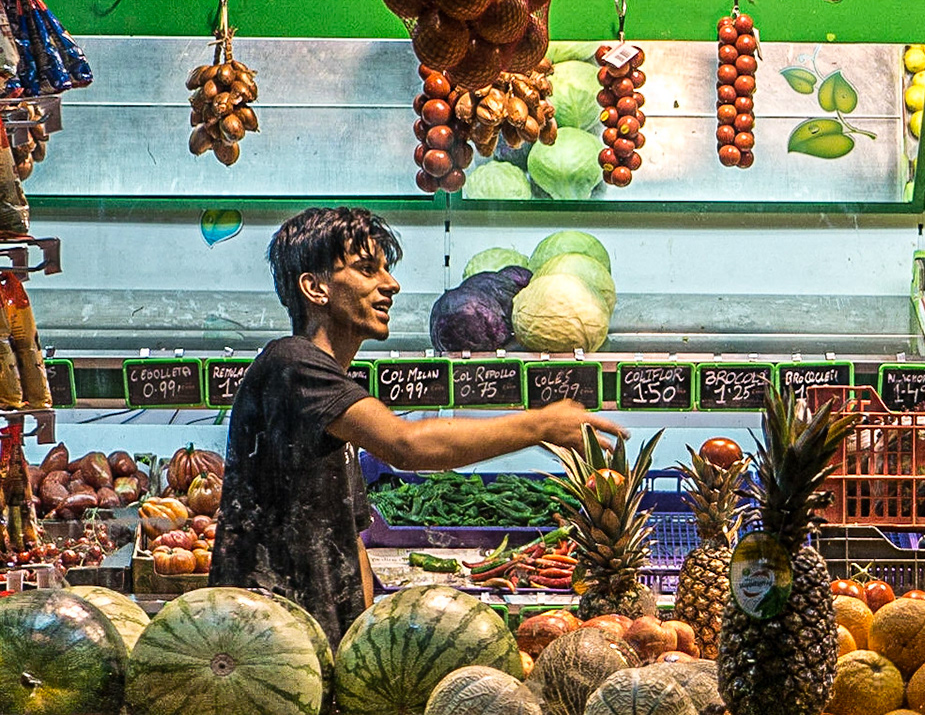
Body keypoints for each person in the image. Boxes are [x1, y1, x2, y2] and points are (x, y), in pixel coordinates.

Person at [210, 207, 624, 644]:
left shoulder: (329, 388)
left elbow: (352, 543)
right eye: (367, 270)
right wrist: (540, 424)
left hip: (310, 643)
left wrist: (363, 642)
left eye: (386, 270)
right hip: (263, 646)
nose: (390, 284)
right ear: (315, 288)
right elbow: (407, 445)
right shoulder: (291, 363)